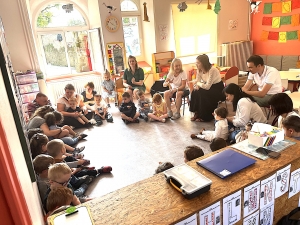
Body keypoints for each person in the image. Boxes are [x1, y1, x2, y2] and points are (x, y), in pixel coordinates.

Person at [189, 54, 225, 122]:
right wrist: (196, 86)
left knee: (202, 93)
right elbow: (197, 81)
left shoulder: (212, 70)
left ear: (203, 63)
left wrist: (198, 84)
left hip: (217, 88)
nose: (196, 64)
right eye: (196, 63)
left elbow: (207, 87)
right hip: (207, 86)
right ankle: (197, 113)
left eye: (198, 63)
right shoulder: (199, 70)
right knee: (195, 92)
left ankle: (205, 116)